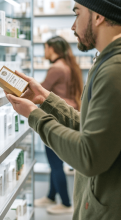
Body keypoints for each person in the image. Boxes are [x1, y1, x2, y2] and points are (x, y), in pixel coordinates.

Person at [6, 0, 121, 220]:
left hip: (117, 210)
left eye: (77, 13)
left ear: (98, 16)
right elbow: (99, 133)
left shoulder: (120, 69)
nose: (72, 26)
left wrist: (35, 116)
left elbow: (89, 156)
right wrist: (46, 100)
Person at [34, 36, 83, 215]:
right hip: (70, 114)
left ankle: (65, 202)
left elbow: (41, 90)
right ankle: (51, 195)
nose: (44, 52)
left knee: (54, 162)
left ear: (51, 48)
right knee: (55, 158)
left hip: (56, 117)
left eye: (45, 48)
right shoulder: (70, 65)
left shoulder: (56, 68)